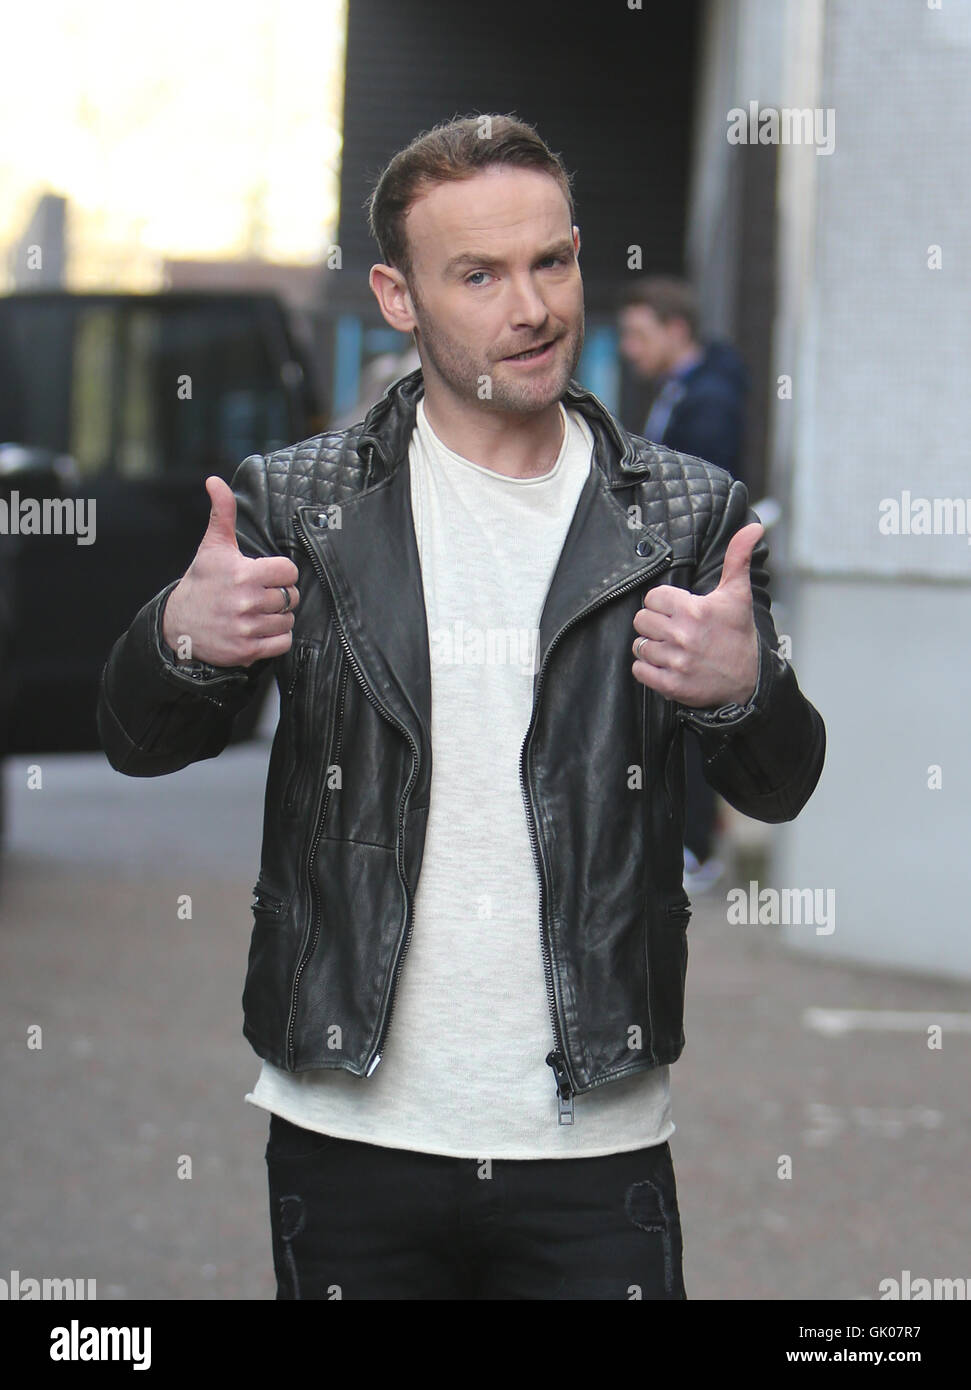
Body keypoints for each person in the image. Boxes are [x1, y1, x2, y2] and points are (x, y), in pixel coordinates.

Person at [97, 114, 825, 1301]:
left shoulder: (686, 515)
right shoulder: (300, 503)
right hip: (349, 1131)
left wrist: (742, 690)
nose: (529, 307)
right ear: (397, 294)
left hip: (592, 1137)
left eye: (550, 261)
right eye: (477, 274)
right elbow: (140, 742)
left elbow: (779, 779)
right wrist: (182, 637)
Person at [618, 277, 751, 891]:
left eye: (638, 335)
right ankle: (688, 842)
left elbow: (705, 499)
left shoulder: (710, 399)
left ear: (677, 330)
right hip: (677, 576)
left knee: (693, 710)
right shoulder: (681, 390)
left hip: (694, 581)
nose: (629, 349)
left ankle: (696, 847)